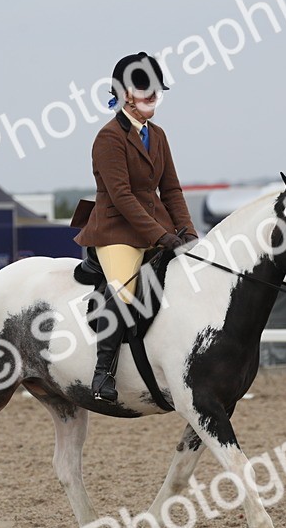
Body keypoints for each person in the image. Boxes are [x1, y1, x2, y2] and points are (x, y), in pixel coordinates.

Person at [71, 52, 198, 402]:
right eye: (145, 88)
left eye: (156, 88)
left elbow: (171, 190)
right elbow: (122, 197)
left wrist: (188, 232)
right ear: (126, 94)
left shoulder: (157, 135)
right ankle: (103, 373)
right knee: (124, 291)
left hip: (157, 228)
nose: (153, 94)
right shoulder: (108, 138)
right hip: (117, 231)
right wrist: (160, 235)